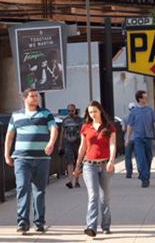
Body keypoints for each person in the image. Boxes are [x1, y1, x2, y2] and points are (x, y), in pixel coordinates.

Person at [4, 87, 59, 234]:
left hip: (42, 159)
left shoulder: (46, 114)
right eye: (32, 96)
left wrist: (51, 142)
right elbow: (9, 135)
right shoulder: (16, 116)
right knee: (22, 188)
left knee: (39, 191)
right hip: (21, 159)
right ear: (25, 99)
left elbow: (54, 129)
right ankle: (22, 223)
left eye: (36, 96)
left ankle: (39, 222)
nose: (36, 98)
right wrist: (6, 154)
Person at [74, 100, 116, 237]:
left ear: (100, 111)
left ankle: (105, 225)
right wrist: (77, 165)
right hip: (89, 165)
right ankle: (91, 227)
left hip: (105, 165)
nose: (93, 114)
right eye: (90, 112)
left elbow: (112, 145)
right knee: (93, 196)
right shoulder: (86, 127)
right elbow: (82, 147)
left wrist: (111, 161)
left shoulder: (109, 127)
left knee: (105, 198)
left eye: (95, 111)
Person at [125, 90, 155, 188]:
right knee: (141, 158)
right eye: (145, 97)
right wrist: (127, 139)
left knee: (149, 157)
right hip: (138, 138)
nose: (146, 99)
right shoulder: (133, 112)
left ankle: (146, 173)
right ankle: (145, 179)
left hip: (148, 137)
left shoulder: (149, 110)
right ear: (140, 99)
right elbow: (130, 126)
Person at [59, 103, 82, 188]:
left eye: (72, 110)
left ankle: (77, 181)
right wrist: (60, 145)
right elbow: (62, 133)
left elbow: (83, 132)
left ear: (75, 110)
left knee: (77, 163)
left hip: (78, 143)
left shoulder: (79, 120)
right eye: (68, 111)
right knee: (70, 162)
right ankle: (70, 181)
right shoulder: (65, 121)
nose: (70, 112)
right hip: (68, 143)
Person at [120, 102, 135, 178]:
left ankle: (129, 172)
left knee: (128, 156)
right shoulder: (137, 116)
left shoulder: (125, 117)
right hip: (136, 138)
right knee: (138, 156)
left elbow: (123, 129)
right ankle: (140, 171)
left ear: (129, 109)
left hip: (127, 139)